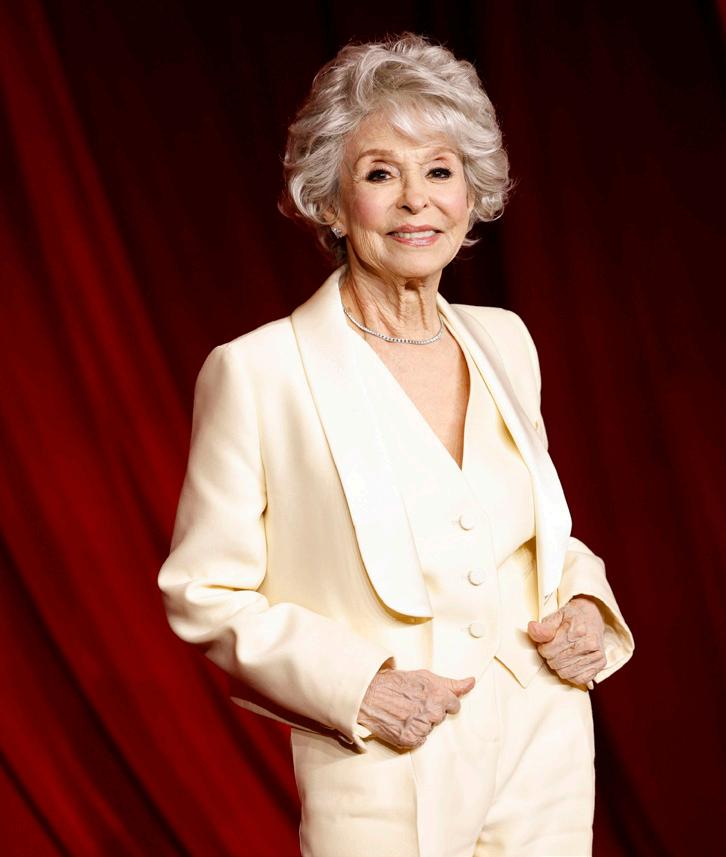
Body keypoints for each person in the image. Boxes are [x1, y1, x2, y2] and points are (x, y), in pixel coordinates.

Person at [158, 33, 634, 857]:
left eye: (440, 171)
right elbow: (203, 591)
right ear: (331, 203)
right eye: (381, 174)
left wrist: (588, 604)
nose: (417, 201)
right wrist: (359, 687)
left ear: (472, 195)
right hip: (388, 763)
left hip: (545, 749)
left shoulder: (507, 341)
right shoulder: (258, 371)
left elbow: (532, 537)